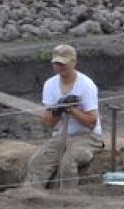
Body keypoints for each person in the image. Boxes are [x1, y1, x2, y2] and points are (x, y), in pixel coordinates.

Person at [24, 44, 105, 189]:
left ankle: (67, 197)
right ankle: (32, 195)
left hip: (88, 136)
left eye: (63, 63)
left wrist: (72, 110)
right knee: (37, 162)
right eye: (57, 63)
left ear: (74, 62)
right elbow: (49, 123)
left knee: (68, 162)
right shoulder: (50, 84)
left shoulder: (86, 85)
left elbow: (91, 122)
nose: (60, 67)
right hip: (63, 135)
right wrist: (58, 110)